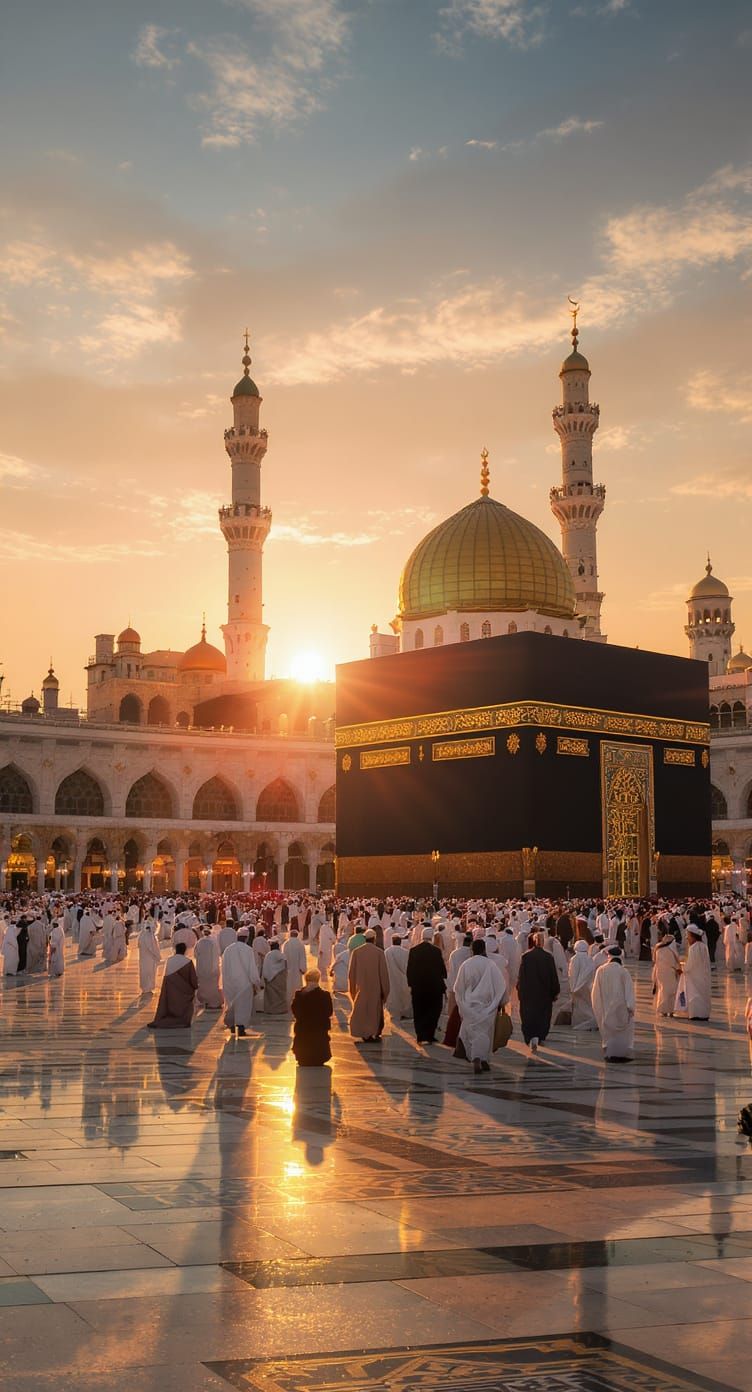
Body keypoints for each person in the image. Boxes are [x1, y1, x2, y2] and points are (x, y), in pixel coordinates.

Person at [454, 939, 508, 1074]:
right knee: (485, 1033)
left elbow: (459, 987)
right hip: (487, 1005)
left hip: (469, 1005)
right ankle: (482, 1058)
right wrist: (501, 1002)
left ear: (472, 950)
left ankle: (478, 1058)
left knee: (472, 1033)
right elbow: (500, 985)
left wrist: (461, 1004)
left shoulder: (466, 964)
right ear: (484, 949)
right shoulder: (491, 964)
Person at [517, 931, 560, 1052]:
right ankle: (539, 1036)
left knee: (529, 1016)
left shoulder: (526, 956)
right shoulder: (548, 957)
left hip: (529, 994)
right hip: (544, 994)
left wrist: (520, 991)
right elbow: (553, 976)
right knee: (542, 1016)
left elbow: (521, 977)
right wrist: (555, 991)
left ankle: (531, 1037)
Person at [591, 946, 636, 1061]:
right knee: (622, 1033)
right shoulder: (623, 971)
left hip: (605, 1007)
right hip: (621, 1008)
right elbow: (629, 991)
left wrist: (597, 1006)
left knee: (608, 1032)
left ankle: (609, 1053)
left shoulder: (601, 970)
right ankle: (621, 1054)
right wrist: (630, 1007)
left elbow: (595, 992)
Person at [406, 926, 447, 1044]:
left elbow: (410, 970)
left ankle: (420, 1035)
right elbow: (442, 970)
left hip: (418, 987)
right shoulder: (436, 951)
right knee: (433, 1010)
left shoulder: (414, 950)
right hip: (434, 987)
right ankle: (429, 1035)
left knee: (419, 1011)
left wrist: (411, 984)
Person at [348, 927, 390, 1041]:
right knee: (373, 1013)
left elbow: (351, 974)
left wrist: (352, 990)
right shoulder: (379, 952)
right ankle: (372, 1033)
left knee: (361, 1011)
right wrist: (385, 991)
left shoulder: (356, 952)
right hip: (376, 989)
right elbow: (384, 974)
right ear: (374, 939)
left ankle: (363, 1033)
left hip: (360, 988)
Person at [148, 943, 198, 1029]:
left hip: (171, 992)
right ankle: (183, 1021)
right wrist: (196, 986)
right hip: (185, 993)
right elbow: (193, 979)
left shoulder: (170, 960)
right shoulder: (188, 962)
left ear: (176, 950)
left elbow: (166, 977)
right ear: (184, 950)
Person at [291, 967, 334, 1066]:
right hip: (319, 1038)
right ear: (318, 979)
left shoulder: (299, 995)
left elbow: (295, 1011)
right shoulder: (325, 995)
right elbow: (329, 1012)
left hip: (303, 1036)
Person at [221, 927, 261, 1034]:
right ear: (247, 938)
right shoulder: (248, 950)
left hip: (230, 983)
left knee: (231, 1005)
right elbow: (252, 968)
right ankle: (241, 1027)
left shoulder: (228, 950)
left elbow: (224, 968)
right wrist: (256, 982)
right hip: (244, 984)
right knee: (243, 1006)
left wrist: (224, 982)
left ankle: (232, 1025)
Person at [674, 925, 712, 1020]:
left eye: (688, 936)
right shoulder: (703, 946)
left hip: (694, 976)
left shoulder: (694, 948)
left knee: (694, 996)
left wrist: (683, 970)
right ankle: (704, 1014)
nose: (687, 938)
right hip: (703, 975)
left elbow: (690, 964)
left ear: (693, 936)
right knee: (703, 995)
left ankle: (696, 1014)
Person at [568, 940, 597, 1029]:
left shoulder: (575, 959)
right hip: (588, 986)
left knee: (579, 1007)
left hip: (578, 987)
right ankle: (591, 1022)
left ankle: (580, 1024)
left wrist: (572, 988)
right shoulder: (590, 958)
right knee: (588, 1005)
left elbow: (573, 974)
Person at [652, 931, 681, 1016]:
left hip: (659, 972)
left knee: (662, 991)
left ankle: (663, 1010)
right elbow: (674, 963)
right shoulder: (670, 951)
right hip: (669, 973)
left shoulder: (658, 948)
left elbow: (654, 960)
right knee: (671, 992)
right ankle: (669, 1010)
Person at [384, 934, 412, 1021]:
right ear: (400, 942)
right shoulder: (406, 952)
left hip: (391, 977)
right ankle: (404, 1012)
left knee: (393, 995)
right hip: (403, 978)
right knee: (404, 995)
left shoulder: (387, 952)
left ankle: (394, 1013)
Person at [195, 926, 223, 1009]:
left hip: (201, 967)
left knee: (203, 985)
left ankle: (204, 1001)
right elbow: (218, 953)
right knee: (213, 986)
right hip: (212, 967)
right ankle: (214, 1003)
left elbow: (195, 954)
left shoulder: (199, 942)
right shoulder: (213, 942)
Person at [262, 939, 289, 1014]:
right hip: (277, 977)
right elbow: (285, 960)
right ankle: (279, 1010)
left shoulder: (268, 954)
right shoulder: (277, 953)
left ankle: (270, 1010)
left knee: (271, 996)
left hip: (268, 978)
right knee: (279, 995)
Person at [283, 927, 307, 1005]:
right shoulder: (300, 944)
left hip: (288, 969)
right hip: (297, 970)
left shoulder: (286, 944)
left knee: (289, 986)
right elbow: (303, 957)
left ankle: (288, 1002)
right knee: (297, 986)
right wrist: (303, 969)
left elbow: (283, 958)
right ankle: (297, 1002)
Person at [138, 919, 162, 994]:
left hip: (143, 958)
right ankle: (148, 988)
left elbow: (139, 945)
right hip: (150, 959)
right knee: (149, 973)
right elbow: (153, 948)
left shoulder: (141, 934)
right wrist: (158, 956)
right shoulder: (150, 936)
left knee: (144, 972)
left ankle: (145, 987)